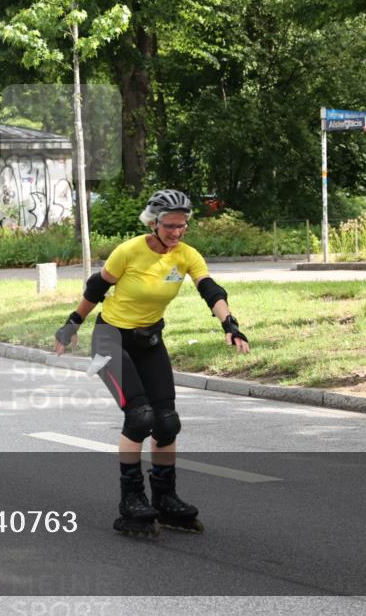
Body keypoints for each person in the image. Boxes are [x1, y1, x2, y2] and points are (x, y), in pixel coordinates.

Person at [54, 189, 249, 536]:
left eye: (183, 226)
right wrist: (71, 325)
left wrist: (229, 324)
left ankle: (165, 498)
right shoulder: (129, 250)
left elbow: (211, 290)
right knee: (140, 416)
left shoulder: (186, 256)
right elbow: (96, 288)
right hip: (109, 340)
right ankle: (130, 499)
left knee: (167, 422)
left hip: (149, 341)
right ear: (154, 223)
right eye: (170, 226)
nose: (177, 233)